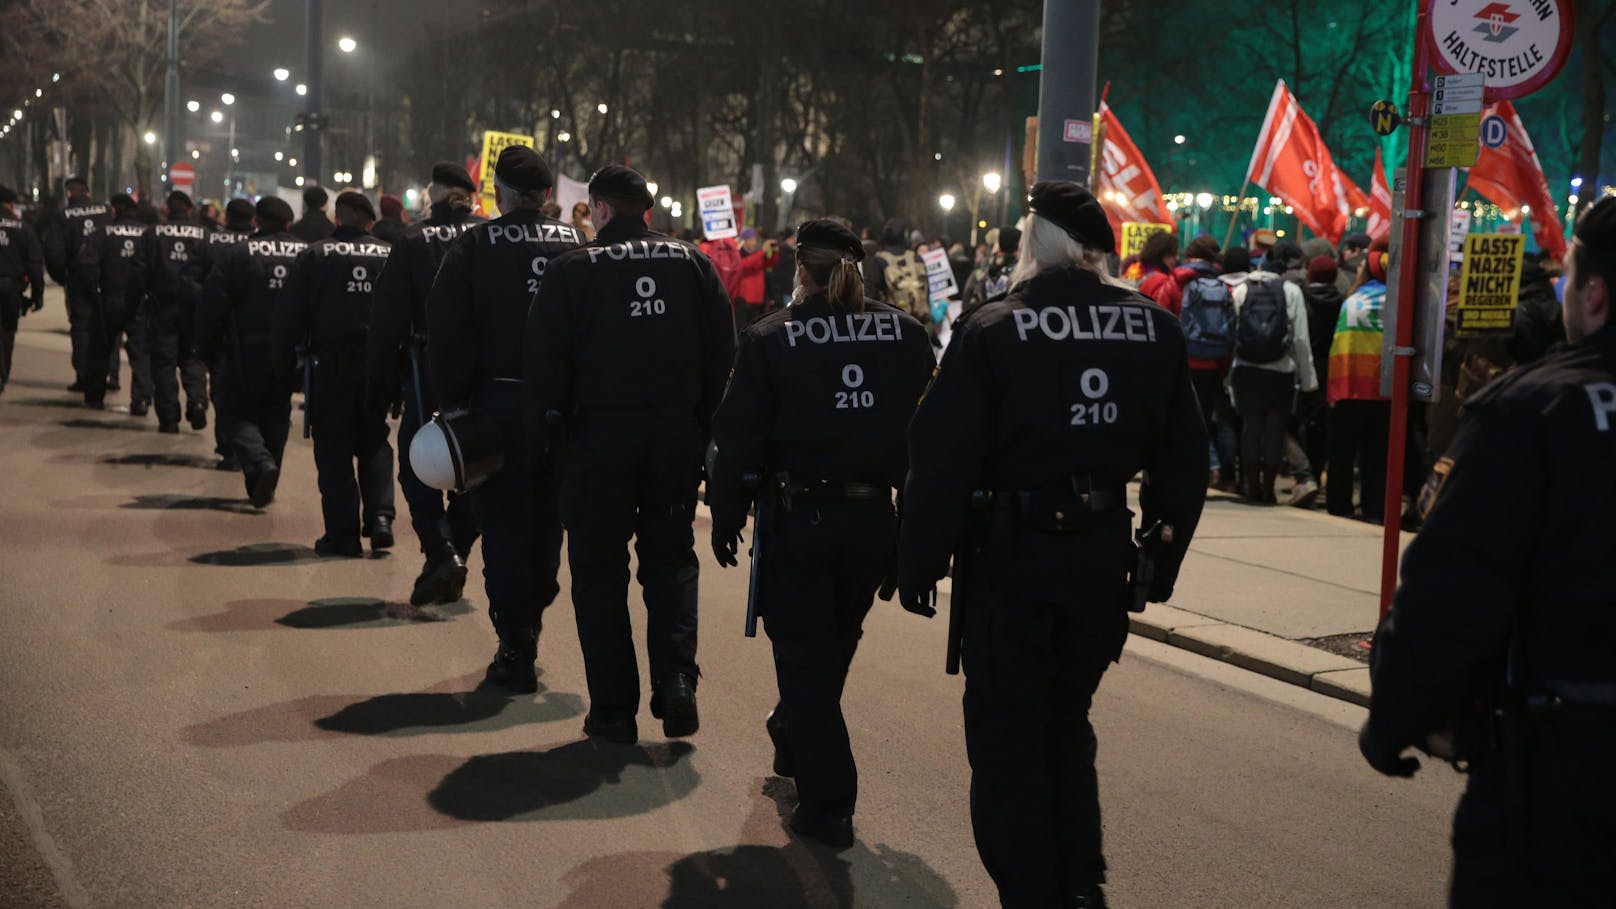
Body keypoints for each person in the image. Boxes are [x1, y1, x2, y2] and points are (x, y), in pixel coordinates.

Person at [897, 182, 1208, 909]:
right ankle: (1080, 881)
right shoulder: (1153, 328)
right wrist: (1162, 552)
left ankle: (1033, 890)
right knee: (1068, 722)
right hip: (1100, 557)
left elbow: (941, 458)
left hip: (1013, 560)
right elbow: (1185, 458)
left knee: (1008, 735)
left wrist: (919, 558)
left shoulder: (993, 328)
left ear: (1035, 243)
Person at [1360, 195, 1616, 907]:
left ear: (1592, 294)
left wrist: (1395, 719)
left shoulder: (1532, 411)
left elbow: (1452, 590)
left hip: (1564, 759)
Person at [707, 219, 934, 848]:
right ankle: (796, 727)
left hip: (800, 518)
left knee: (806, 658)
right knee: (831, 645)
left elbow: (738, 439)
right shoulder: (908, 335)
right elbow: (930, 442)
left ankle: (829, 800)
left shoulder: (770, 339)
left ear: (799, 269)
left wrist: (727, 515)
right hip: (873, 521)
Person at [525, 164, 735, 744]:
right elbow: (724, 352)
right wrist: (701, 426)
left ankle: (614, 710)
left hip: (597, 440)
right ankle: (676, 679)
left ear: (598, 209)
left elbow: (545, 364)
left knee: (598, 573)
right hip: (674, 437)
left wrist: (551, 439)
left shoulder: (572, 271)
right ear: (648, 210)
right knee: (669, 562)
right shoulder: (694, 264)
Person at [427, 147, 583, 690]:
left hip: (496, 404)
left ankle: (515, 637)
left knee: (500, 521)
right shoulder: (578, 245)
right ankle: (530, 614)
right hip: (563, 411)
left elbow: (447, 330)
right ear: (545, 196)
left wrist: (451, 404)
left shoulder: (474, 244)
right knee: (547, 518)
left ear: (499, 193)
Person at [371, 162, 486, 608]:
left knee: (417, 465)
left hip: (428, 368)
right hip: (484, 372)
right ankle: (452, 551)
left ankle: (442, 552)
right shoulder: (490, 235)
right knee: (476, 465)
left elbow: (386, 318)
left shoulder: (413, 239)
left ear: (434, 196)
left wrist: (379, 383)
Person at [274, 191, 394, 556]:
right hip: (377, 362)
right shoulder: (390, 254)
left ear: (339, 217)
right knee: (373, 438)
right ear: (367, 220)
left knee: (334, 446)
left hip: (330, 363)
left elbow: (290, 313)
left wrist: (285, 364)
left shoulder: (314, 254)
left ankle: (342, 534)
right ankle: (381, 518)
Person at [197, 198, 307, 507]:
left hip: (246, 347)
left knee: (235, 412)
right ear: (287, 223)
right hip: (289, 350)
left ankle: (260, 463)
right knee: (277, 412)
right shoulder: (306, 253)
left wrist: (206, 348)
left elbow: (212, 303)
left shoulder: (238, 254)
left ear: (257, 221)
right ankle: (266, 479)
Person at [1229, 242, 1317, 503]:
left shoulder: (1241, 289)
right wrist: (1308, 379)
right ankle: (1268, 490)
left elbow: (1233, 333)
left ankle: (1252, 487)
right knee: (1275, 429)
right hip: (1281, 370)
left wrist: (1229, 376)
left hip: (1246, 369)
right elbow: (1300, 338)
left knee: (1251, 428)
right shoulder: (1291, 291)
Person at [133, 190, 211, 434]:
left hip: (161, 306)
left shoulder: (152, 234)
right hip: (195, 308)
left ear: (167, 209)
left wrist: (135, 303)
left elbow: (139, 272)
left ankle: (168, 418)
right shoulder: (204, 234)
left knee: (163, 362)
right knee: (193, 358)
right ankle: (197, 400)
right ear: (189, 209)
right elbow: (213, 272)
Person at [1325, 236, 1391, 521]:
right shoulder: (1399, 302)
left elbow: (1339, 349)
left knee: (1342, 454)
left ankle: (1338, 505)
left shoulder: (1352, 302)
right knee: (1376, 456)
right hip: (1383, 390)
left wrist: (1334, 391)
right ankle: (1375, 507)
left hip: (1349, 389)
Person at [74, 193, 152, 411]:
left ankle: (94, 397)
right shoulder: (148, 234)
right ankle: (141, 398)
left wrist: (93, 294)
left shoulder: (102, 234)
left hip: (109, 300)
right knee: (141, 353)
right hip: (139, 302)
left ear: (115, 210)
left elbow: (87, 266)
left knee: (100, 350)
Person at [199, 199, 258, 470]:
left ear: (227, 217)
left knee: (224, 392)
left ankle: (229, 448)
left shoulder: (212, 242)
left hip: (223, 332)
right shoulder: (262, 245)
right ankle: (254, 449)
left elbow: (199, 285)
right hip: (258, 333)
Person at [1176, 237, 1235, 488]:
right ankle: (1223, 472)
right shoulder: (1223, 287)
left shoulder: (1184, 282)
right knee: (1214, 419)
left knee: (1189, 419)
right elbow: (1231, 326)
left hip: (1189, 359)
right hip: (1215, 361)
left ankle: (1203, 467)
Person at [58, 177, 110, 393]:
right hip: (105, 278)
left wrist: (63, 277)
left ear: (69, 193)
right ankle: (109, 375)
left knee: (80, 328)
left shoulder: (64, 216)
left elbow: (54, 252)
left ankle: (83, 375)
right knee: (107, 328)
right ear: (87, 192)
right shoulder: (106, 211)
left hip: (78, 279)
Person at [1298, 254, 1344, 494]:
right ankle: (1321, 475)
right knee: (1325, 427)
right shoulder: (1343, 302)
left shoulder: (1301, 298)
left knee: (1303, 423)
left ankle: (1309, 475)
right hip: (1333, 370)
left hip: (1307, 367)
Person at [0, 185, 46, 394]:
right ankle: (1, 374)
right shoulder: (23, 228)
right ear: (10, 205)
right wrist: (37, 295)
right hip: (11, 287)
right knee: (7, 331)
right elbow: (35, 265)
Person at [732, 227, 780, 330]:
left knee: (754, 330)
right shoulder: (738, 253)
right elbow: (745, 264)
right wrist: (762, 251)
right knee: (742, 329)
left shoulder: (757, 254)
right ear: (744, 240)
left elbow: (770, 263)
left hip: (758, 301)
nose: (754, 243)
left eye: (755, 240)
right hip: (744, 300)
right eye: (751, 240)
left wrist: (775, 253)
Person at [1134, 230, 1182, 314]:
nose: (1177, 259)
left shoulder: (1134, 270)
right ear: (1162, 255)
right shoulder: (1162, 280)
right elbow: (1162, 317)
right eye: (1173, 254)